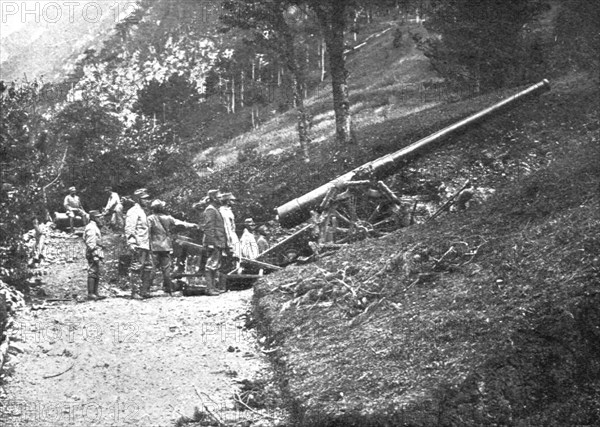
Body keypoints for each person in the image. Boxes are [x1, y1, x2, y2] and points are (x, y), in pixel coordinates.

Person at [147, 199, 198, 295]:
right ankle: (169, 289)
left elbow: (147, 231)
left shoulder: (150, 218)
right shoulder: (167, 218)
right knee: (166, 269)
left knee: (152, 268)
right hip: (165, 246)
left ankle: (146, 289)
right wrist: (193, 225)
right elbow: (180, 223)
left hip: (154, 246)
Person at [125, 188, 152, 299]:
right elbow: (130, 228)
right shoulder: (133, 211)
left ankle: (144, 291)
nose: (147, 201)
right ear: (138, 199)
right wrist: (131, 242)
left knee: (148, 267)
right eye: (144, 199)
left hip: (146, 244)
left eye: (147, 199)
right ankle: (135, 291)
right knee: (136, 267)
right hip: (139, 244)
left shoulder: (143, 211)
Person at [201, 189, 227, 296]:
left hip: (218, 241)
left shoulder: (215, 209)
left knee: (215, 264)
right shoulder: (210, 210)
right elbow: (209, 227)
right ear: (214, 198)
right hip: (215, 241)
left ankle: (212, 287)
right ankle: (209, 288)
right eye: (219, 196)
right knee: (211, 264)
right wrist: (210, 243)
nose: (221, 198)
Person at [84, 210, 106, 301]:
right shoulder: (91, 227)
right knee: (92, 271)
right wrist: (94, 254)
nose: (100, 218)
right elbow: (90, 243)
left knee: (96, 271)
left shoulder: (94, 226)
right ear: (93, 218)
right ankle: (91, 293)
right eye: (98, 217)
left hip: (97, 251)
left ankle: (95, 292)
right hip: (93, 251)